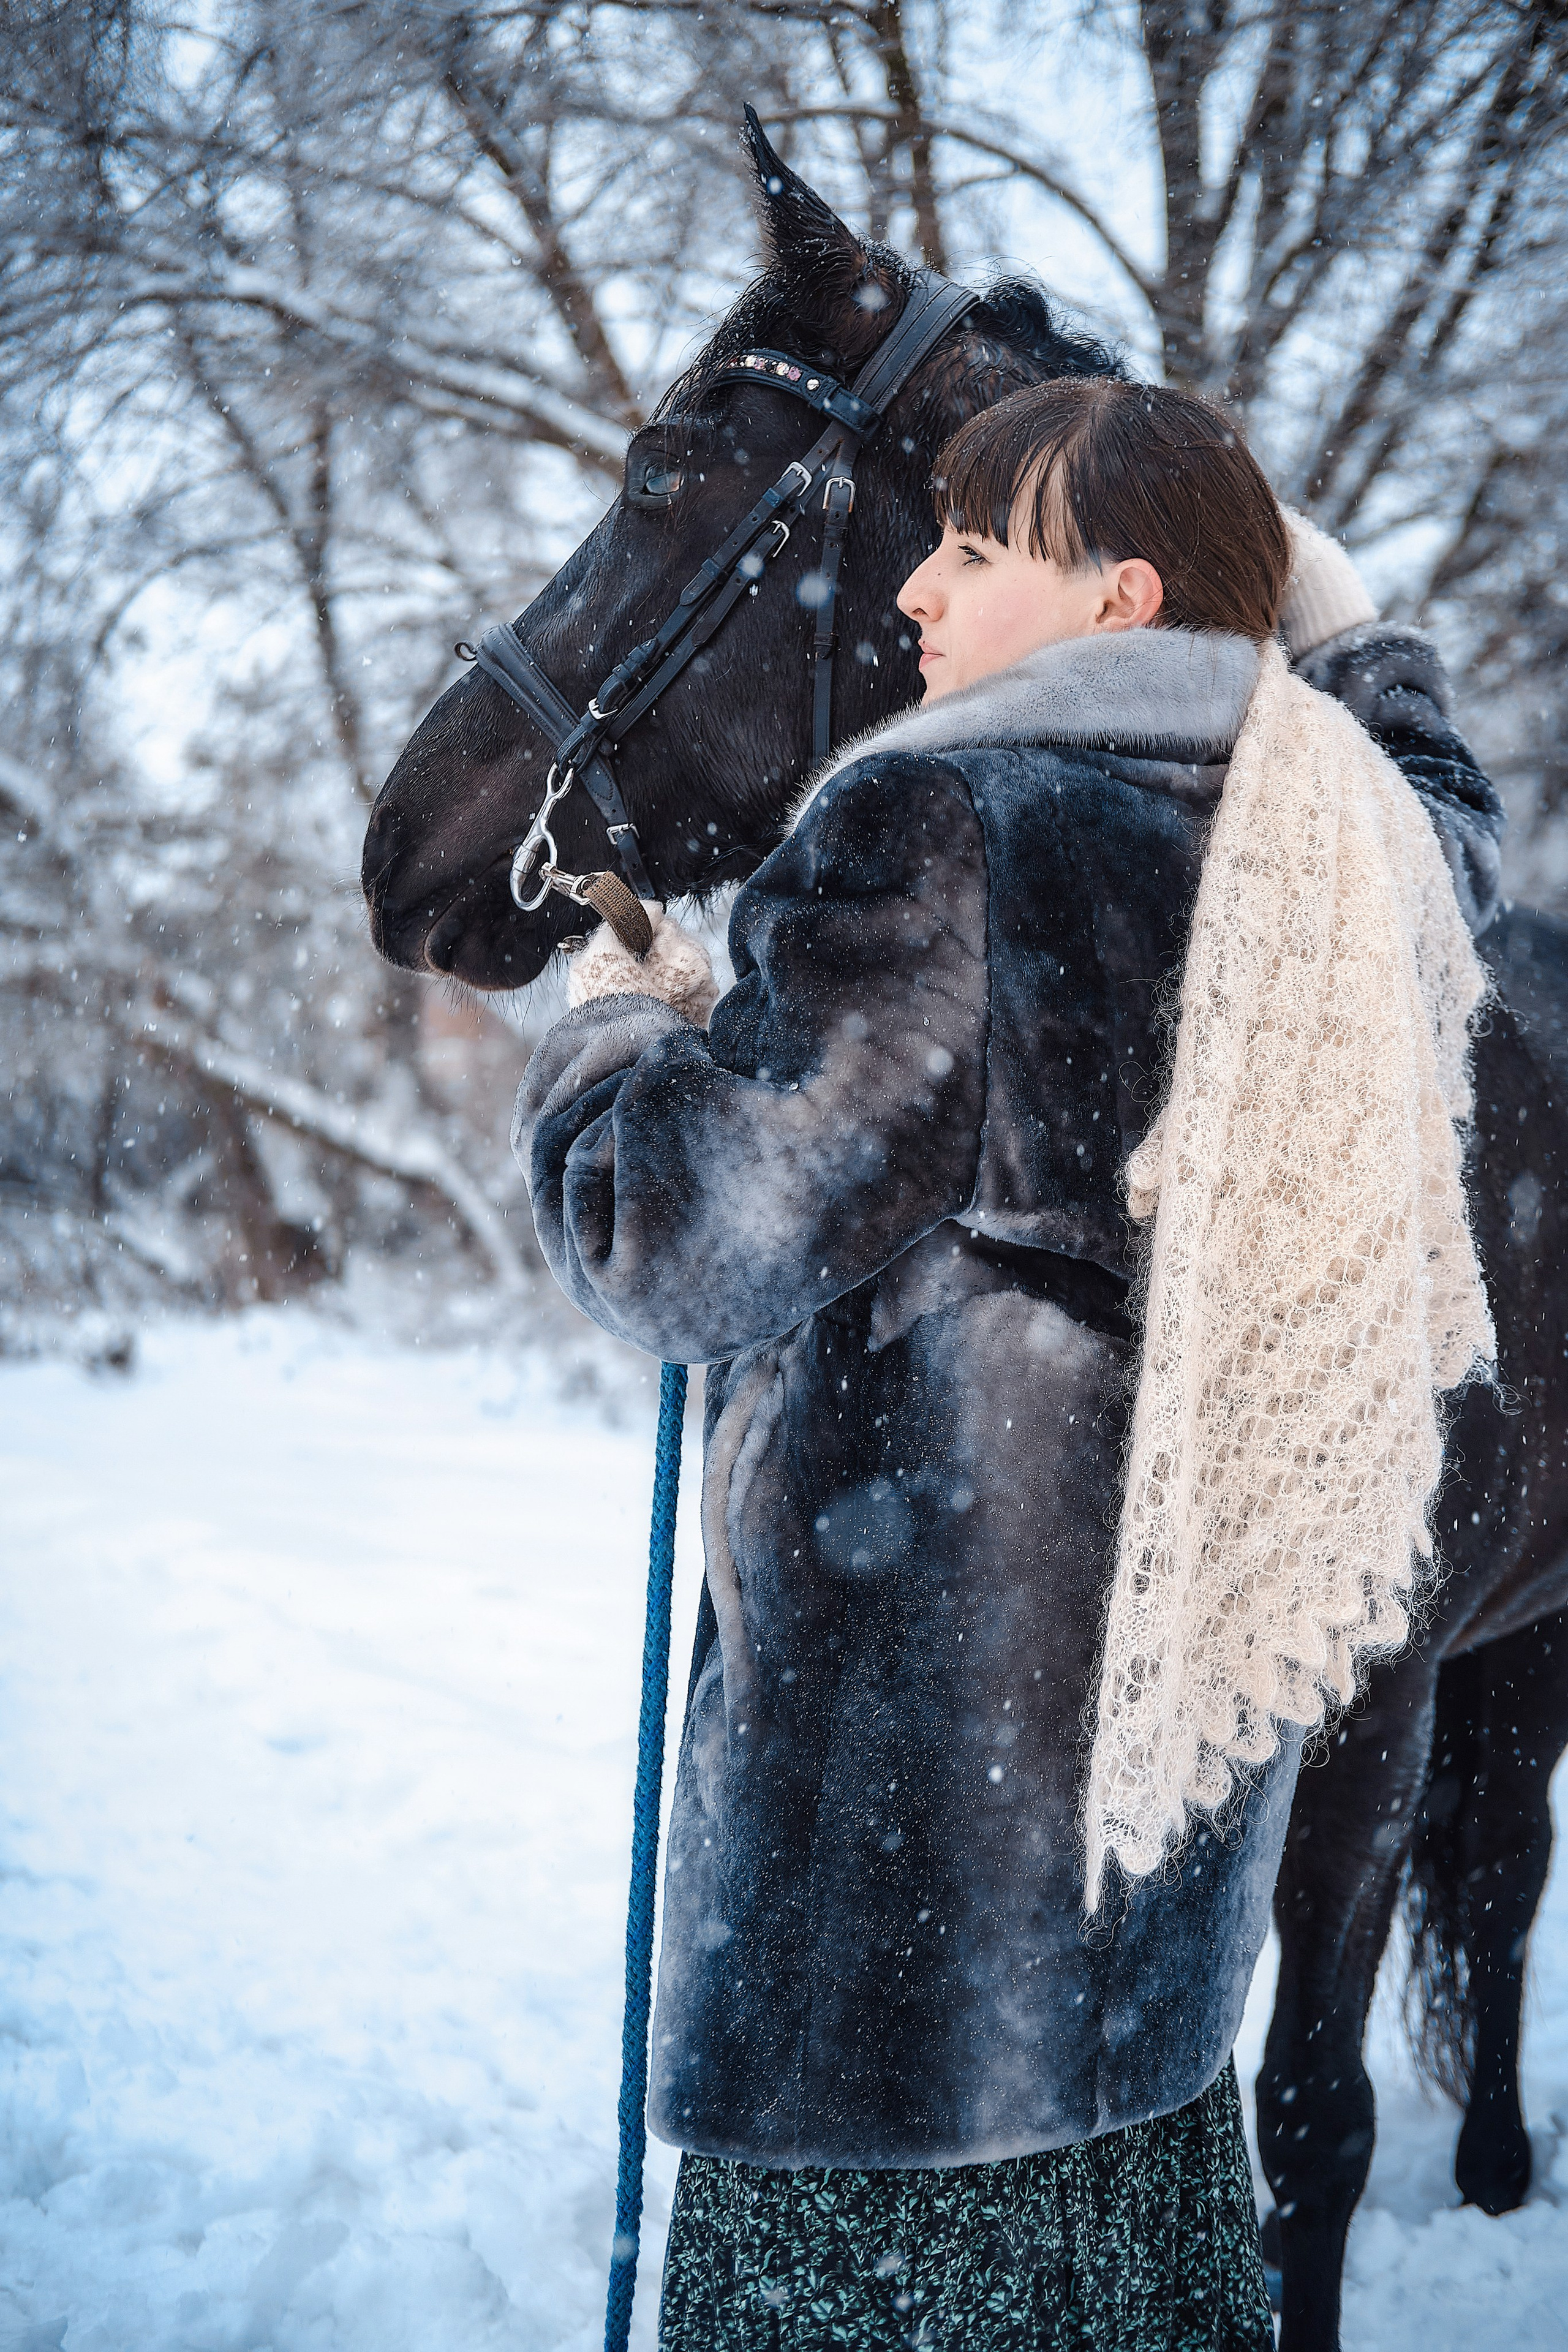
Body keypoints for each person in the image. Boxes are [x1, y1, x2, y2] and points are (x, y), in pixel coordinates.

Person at [514, 377, 1501, 2350]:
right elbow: (1448, 803)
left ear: (1123, 601)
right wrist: (1337, 619)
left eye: (976, 548)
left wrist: (616, 1030)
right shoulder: (1338, 859)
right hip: (1142, 1928)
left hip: (900, 1974)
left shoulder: (939, 821)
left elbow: (670, 1232)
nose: (912, 591)